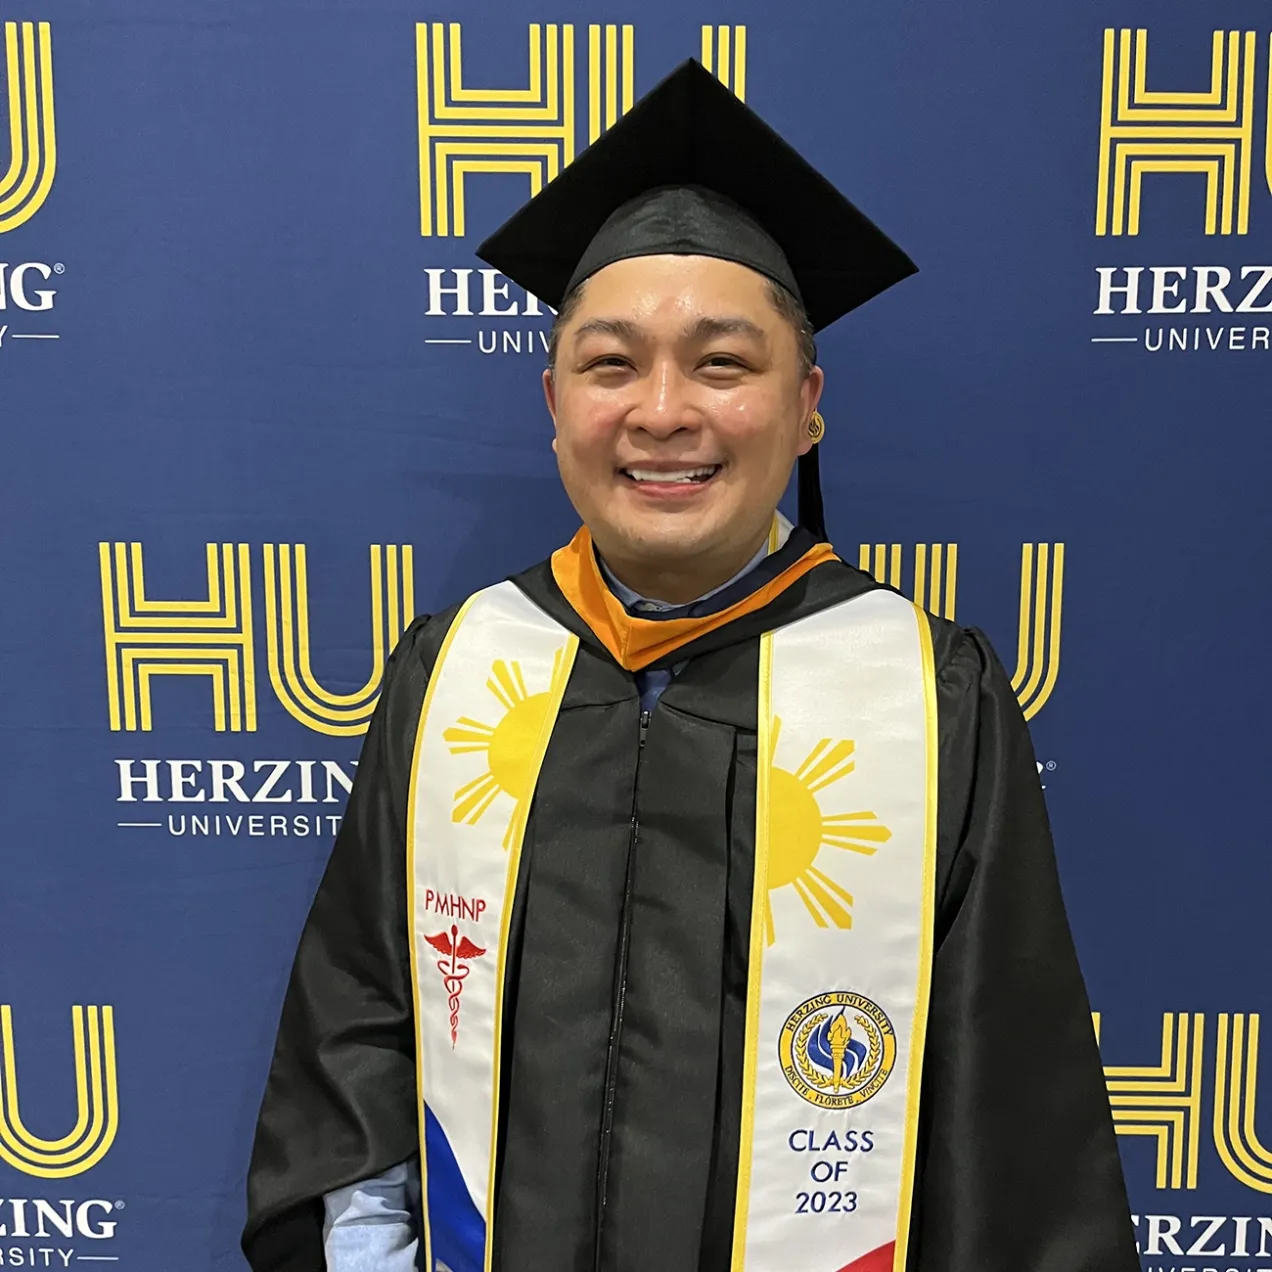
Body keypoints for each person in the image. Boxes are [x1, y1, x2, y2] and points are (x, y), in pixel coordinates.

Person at [242, 60, 1138, 1272]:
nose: (662, 411)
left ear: (806, 404)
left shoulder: (930, 699)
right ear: (553, 400)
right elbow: (357, 1029)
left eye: (723, 364)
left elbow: (1006, 1117)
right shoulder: (455, 671)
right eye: (611, 364)